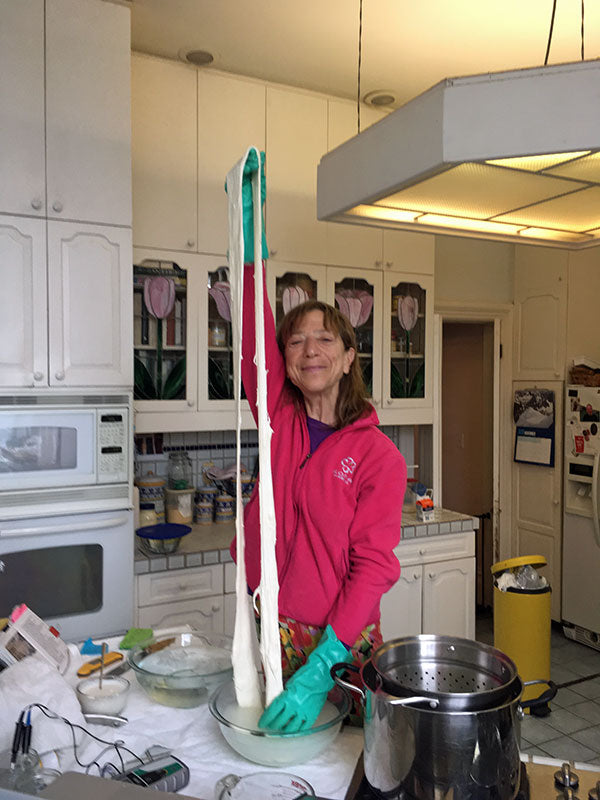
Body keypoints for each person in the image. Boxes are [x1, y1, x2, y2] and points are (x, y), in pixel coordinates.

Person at [229, 151, 407, 733]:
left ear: (349, 356)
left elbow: (374, 568)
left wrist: (322, 666)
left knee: (346, 764)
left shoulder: (378, 456)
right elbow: (254, 341)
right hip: (270, 621)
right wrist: (253, 242)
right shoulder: (276, 419)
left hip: (340, 642)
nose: (309, 349)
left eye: (324, 338)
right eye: (297, 339)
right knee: (276, 761)